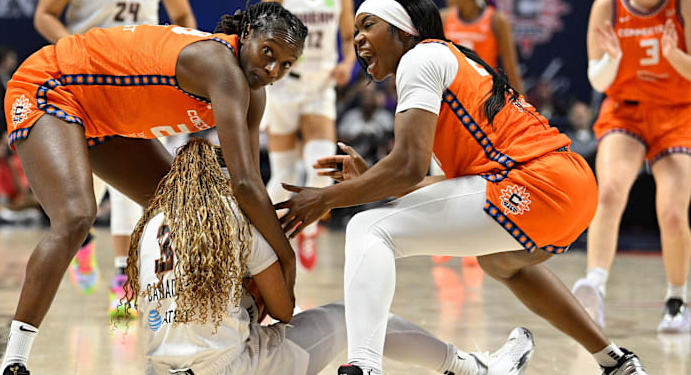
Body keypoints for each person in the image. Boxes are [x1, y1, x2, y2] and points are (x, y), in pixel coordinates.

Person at [276, 0, 648, 375]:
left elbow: (407, 167)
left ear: (404, 32)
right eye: (353, 32)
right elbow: (445, 190)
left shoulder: (419, 59)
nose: (358, 40)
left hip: (534, 183)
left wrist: (327, 198)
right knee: (501, 263)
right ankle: (614, 360)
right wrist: (370, 178)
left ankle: (365, 367)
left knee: (368, 228)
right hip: (569, 187)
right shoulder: (449, 60)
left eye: (368, 25)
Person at [0, 2, 306, 375]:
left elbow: (250, 183)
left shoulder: (253, 92)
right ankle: (13, 361)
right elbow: (243, 183)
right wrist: (284, 258)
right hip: (50, 85)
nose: (272, 69)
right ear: (246, 36)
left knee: (192, 210)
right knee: (76, 216)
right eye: (268, 52)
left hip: (104, 115)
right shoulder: (221, 67)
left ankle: (227, 325)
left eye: (286, 65)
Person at [126, 137, 534, 375]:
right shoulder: (232, 218)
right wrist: (282, 259)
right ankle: (473, 369)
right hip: (235, 368)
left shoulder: (146, 232)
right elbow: (284, 311)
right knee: (353, 315)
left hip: (159, 369)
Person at [34, 0, 198, 317]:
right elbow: (45, 13)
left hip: (140, 79)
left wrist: (184, 50)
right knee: (79, 189)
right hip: (85, 80)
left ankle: (124, 276)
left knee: (133, 183)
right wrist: (76, 51)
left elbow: (182, 15)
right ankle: (86, 241)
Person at [572, 0, 691, 333]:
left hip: (676, 113)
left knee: (672, 214)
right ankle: (595, 288)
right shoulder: (607, 6)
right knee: (608, 192)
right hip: (625, 110)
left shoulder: (683, 0)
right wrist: (612, 58)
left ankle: (677, 300)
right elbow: (598, 80)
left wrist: (673, 56)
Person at [261, 0, 356, 270]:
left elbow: (349, 38)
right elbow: (255, 36)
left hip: (319, 85)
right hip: (284, 85)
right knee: (283, 176)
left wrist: (348, 64)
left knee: (321, 166)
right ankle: (263, 236)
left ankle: (310, 229)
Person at [440, 0, 524, 94]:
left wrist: (523, 105)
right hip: (452, 95)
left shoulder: (497, 20)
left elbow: (510, 67)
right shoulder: (444, 18)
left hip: (486, 94)